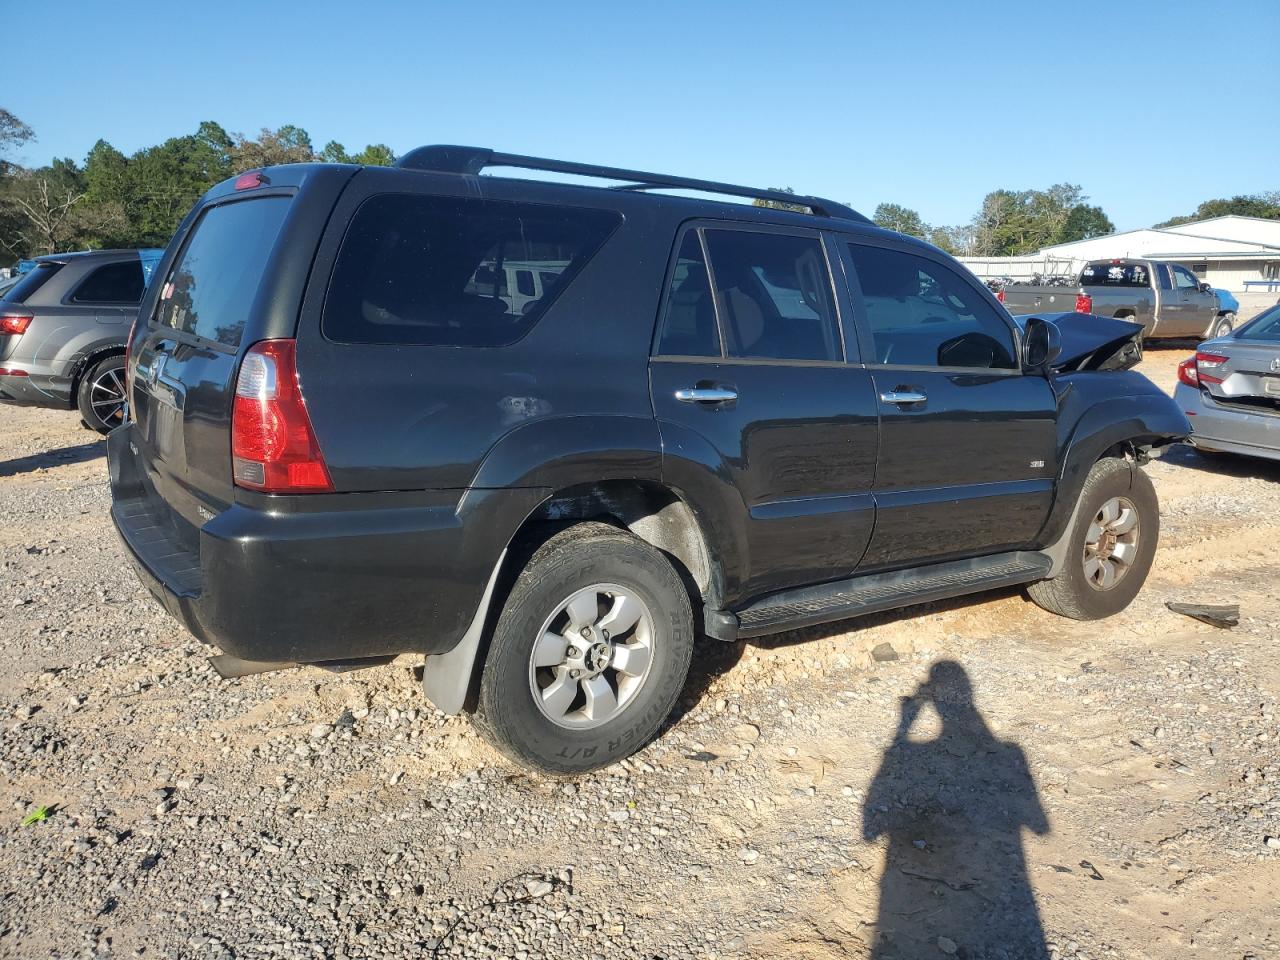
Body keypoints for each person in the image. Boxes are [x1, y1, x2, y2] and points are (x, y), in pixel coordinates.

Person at [863, 661, 1050, 959]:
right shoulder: (1010, 753)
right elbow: (1040, 827)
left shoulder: (1008, 752)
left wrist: (904, 726)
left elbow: (870, 829)